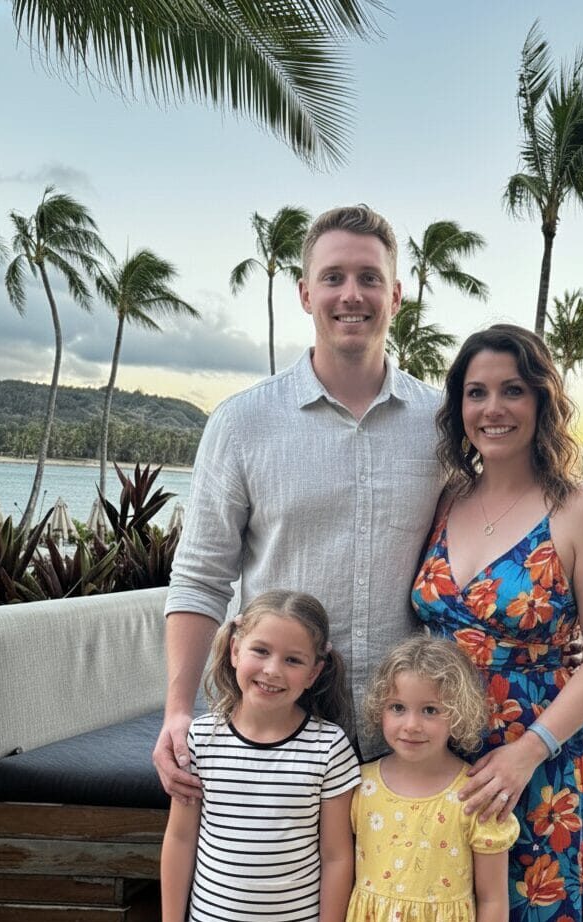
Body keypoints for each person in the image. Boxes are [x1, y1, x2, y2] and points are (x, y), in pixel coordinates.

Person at [155, 205, 443, 800]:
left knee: (404, 896)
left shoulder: (442, 424)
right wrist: (178, 711)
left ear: (397, 294)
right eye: (333, 277)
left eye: (369, 278)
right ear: (305, 292)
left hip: (409, 729)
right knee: (270, 891)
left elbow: (487, 543)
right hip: (274, 725)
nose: (351, 294)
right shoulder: (242, 422)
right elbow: (200, 576)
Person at [411, 325, 583, 921]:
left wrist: (527, 753)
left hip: (540, 763)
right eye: (476, 392)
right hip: (440, 753)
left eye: (512, 390)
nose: (493, 409)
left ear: (542, 400)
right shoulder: (445, 499)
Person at [160, 589, 361, 922]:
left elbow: (336, 856)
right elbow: (181, 839)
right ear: (236, 650)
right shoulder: (200, 741)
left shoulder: (329, 747)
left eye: (293, 660)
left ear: (313, 673)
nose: (272, 670)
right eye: (261, 650)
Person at [348, 636, 519, 922]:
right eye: (397, 707)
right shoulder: (360, 787)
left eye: (430, 710)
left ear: (458, 712)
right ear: (380, 709)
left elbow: (493, 899)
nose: (412, 725)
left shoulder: (476, 794)